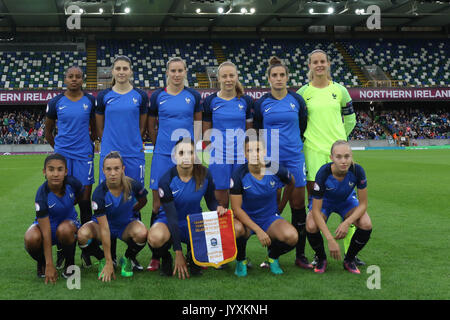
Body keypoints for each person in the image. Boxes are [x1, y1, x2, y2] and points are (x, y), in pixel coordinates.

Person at [296, 49, 360, 264]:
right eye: (315, 62)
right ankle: (318, 254)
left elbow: (351, 119)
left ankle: (351, 252)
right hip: (313, 152)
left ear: (328, 64)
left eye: (322, 61)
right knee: (315, 204)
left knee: (347, 199)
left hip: (338, 154)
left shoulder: (340, 90)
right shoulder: (303, 92)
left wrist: (341, 139)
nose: (319, 65)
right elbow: (299, 121)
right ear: (310, 66)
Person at [253, 56, 311, 269]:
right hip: (271, 162)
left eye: (282, 75)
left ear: (288, 77)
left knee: (297, 206)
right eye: (274, 75)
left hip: (294, 158)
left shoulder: (297, 101)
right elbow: (258, 132)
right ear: (268, 79)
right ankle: (272, 255)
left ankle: (300, 255)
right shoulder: (261, 104)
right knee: (274, 208)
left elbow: (302, 126)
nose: (278, 79)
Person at [146, 57, 202, 271]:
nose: (177, 74)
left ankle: (192, 251)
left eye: (180, 70)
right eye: (173, 71)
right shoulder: (157, 96)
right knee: (157, 204)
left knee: (191, 197)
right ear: (167, 72)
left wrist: (194, 150)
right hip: (162, 155)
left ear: (185, 72)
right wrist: (158, 145)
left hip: (187, 156)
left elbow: (197, 124)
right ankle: (157, 255)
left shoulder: (193, 96)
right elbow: (151, 126)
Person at [95, 55, 149, 269]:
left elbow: (142, 126)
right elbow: (99, 127)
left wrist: (135, 141)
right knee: (109, 198)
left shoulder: (140, 96)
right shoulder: (104, 95)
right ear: (113, 71)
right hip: (110, 152)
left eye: (125, 68)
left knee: (134, 196)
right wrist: (107, 144)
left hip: (134, 153)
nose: (121, 72)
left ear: (131, 71)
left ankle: (131, 254)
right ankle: (112, 255)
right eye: (118, 68)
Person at [147, 138, 227, 279]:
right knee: (155, 238)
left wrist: (218, 208)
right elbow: (172, 217)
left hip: (194, 221)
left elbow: (211, 202)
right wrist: (178, 252)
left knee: (217, 235)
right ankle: (166, 258)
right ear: (175, 156)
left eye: (190, 152)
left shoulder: (205, 174)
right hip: (168, 221)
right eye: (181, 152)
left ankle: (193, 254)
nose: (186, 157)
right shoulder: (166, 180)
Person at [44, 66, 96, 269]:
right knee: (61, 201)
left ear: (82, 79)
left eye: (78, 76)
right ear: (65, 79)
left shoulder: (90, 101)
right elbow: (48, 131)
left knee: (84, 201)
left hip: (84, 156)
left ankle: (87, 248)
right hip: (63, 157)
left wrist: (86, 144)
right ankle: (62, 249)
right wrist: (58, 151)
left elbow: (95, 129)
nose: (74, 79)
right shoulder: (56, 102)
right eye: (70, 76)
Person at [230, 136, 298, 277]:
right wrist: (258, 230)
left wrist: (281, 206)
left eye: (258, 149)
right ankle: (241, 260)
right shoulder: (239, 174)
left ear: (265, 151)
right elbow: (236, 209)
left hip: (269, 218)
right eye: (250, 150)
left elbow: (291, 182)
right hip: (246, 220)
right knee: (235, 229)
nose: (254, 154)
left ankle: (272, 257)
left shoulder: (274, 168)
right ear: (245, 154)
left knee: (292, 237)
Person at [77, 151, 148, 281]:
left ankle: (127, 258)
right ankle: (103, 259)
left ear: (123, 169)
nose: (113, 173)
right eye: (108, 169)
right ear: (103, 170)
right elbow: (104, 229)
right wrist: (109, 261)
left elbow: (143, 200)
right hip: (103, 226)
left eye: (116, 168)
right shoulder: (99, 194)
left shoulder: (134, 185)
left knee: (142, 233)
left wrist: (132, 211)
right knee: (82, 235)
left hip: (125, 226)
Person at [305, 140, 372, 274]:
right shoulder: (323, 173)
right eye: (339, 157)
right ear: (331, 158)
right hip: (325, 202)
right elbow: (316, 211)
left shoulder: (357, 171)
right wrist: (330, 239)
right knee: (311, 224)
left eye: (347, 156)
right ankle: (321, 258)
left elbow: (363, 204)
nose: (343, 161)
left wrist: (347, 223)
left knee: (366, 223)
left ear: (351, 156)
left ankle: (349, 260)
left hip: (346, 201)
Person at [24, 154, 83, 283]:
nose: (55, 174)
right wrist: (49, 263)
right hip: (47, 226)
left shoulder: (73, 183)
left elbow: (80, 195)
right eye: (51, 169)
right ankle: (42, 262)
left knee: (65, 229)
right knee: (31, 238)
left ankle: (70, 263)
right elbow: (45, 232)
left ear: (65, 171)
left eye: (60, 169)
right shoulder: (41, 195)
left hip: (68, 225)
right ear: (44, 172)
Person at [202, 61, 253, 208]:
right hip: (219, 156)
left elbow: (249, 132)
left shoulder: (246, 101)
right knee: (220, 203)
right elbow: (206, 132)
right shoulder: (211, 101)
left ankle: (240, 231)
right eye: (224, 76)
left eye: (231, 75)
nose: (228, 79)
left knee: (241, 200)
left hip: (240, 156)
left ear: (237, 76)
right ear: (218, 78)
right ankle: (222, 231)